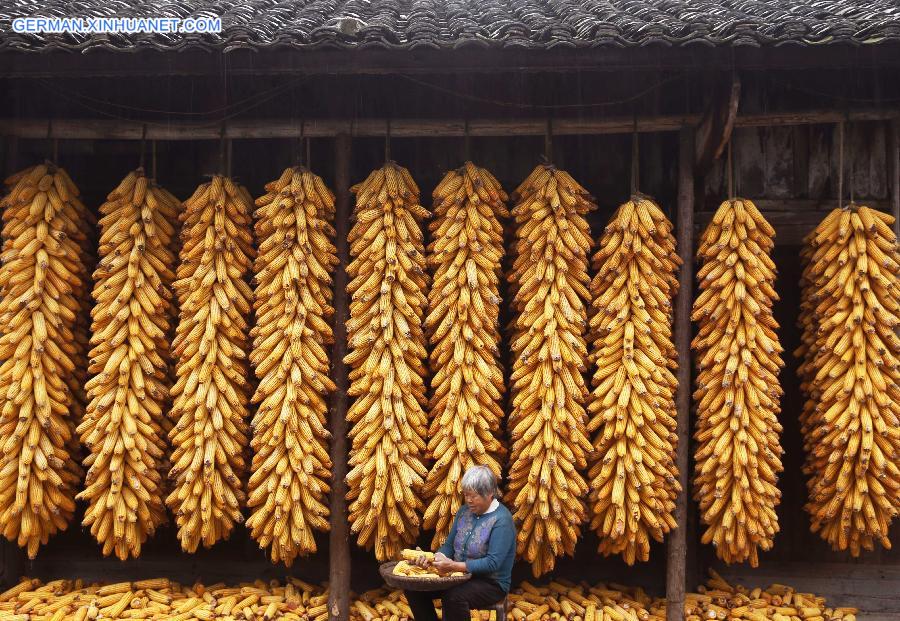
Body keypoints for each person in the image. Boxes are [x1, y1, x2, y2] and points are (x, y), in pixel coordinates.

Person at [405, 465, 516, 621]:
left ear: (490, 494)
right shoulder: (464, 512)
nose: (469, 500)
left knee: (453, 596)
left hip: (490, 583)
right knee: (414, 588)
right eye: (466, 495)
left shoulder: (502, 520)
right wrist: (434, 558)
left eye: (474, 496)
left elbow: (493, 563)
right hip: (457, 576)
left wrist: (453, 566)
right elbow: (450, 545)